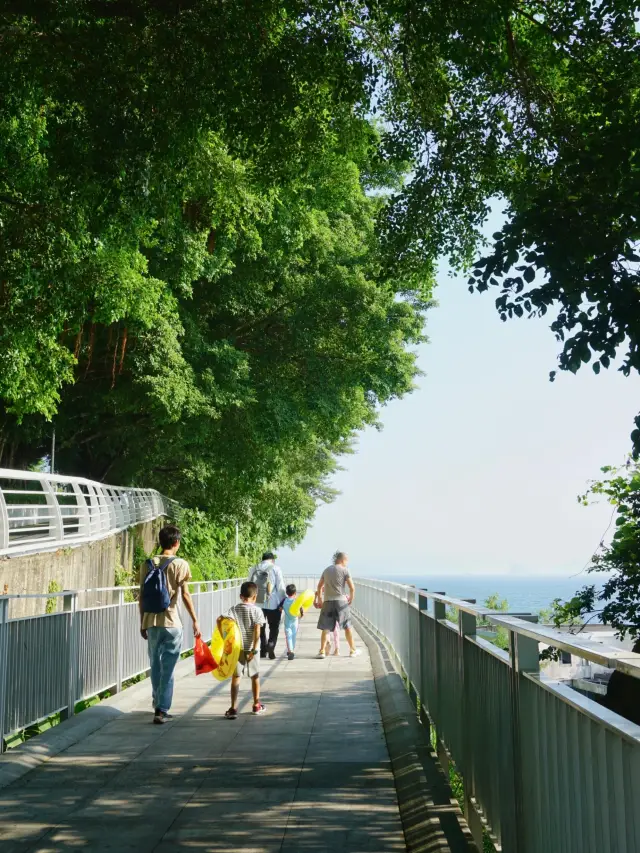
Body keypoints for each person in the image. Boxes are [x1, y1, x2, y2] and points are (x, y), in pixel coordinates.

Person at [139, 524, 201, 725]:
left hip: (151, 621)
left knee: (155, 665)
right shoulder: (180, 564)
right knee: (169, 667)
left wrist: (142, 622)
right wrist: (194, 619)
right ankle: (162, 708)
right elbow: (185, 594)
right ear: (176, 543)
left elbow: (141, 596)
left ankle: (157, 702)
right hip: (173, 622)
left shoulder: (147, 563)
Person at [220, 581, 267, 718]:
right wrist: (254, 648)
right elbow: (257, 630)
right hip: (252, 649)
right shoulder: (257, 611)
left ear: (241, 596)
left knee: (236, 677)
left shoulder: (234, 609)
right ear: (255, 596)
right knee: (255, 676)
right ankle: (256, 705)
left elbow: (222, 618)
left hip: (237, 648)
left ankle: (233, 708)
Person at [314, 551, 360, 659]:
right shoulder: (345, 570)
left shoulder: (326, 570)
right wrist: (351, 599)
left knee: (325, 628)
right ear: (342, 560)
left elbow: (319, 586)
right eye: (346, 561)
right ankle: (352, 650)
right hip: (341, 601)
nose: (346, 563)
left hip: (327, 601)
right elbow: (352, 588)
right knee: (347, 626)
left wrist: (320, 599)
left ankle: (322, 651)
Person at [249, 551, 285, 659]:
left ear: (262, 559)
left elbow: (248, 584)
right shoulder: (275, 568)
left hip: (257, 603)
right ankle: (271, 644)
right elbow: (280, 587)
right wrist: (282, 601)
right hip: (272, 603)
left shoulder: (253, 568)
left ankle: (263, 649)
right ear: (272, 560)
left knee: (260, 627)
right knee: (274, 626)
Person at [281, 583, 304, 661]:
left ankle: (290, 650)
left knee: (288, 636)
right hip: (295, 621)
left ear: (287, 593)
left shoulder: (284, 600)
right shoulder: (296, 601)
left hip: (287, 621)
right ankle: (292, 650)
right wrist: (301, 614)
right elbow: (301, 610)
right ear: (295, 593)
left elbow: (280, 608)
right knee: (293, 636)